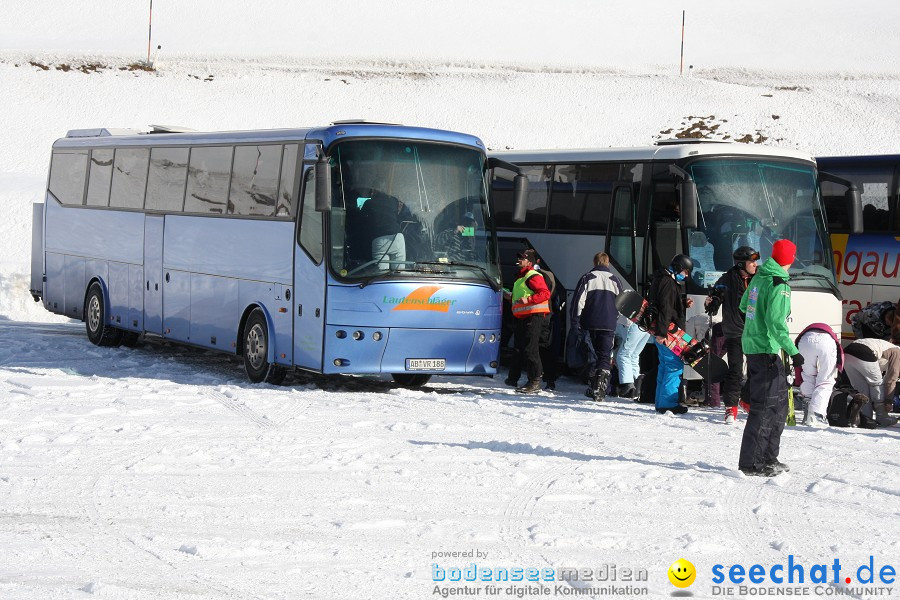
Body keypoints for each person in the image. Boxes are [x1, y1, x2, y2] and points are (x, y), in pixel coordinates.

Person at [738, 239, 803, 477]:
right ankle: (752, 462)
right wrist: (794, 352)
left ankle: (768, 458)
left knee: (777, 406)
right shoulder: (779, 283)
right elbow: (776, 323)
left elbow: (745, 306)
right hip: (767, 349)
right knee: (765, 408)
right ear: (791, 259)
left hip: (755, 347)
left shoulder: (759, 277)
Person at [704, 246, 759, 424]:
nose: (755, 264)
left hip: (754, 332)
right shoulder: (727, 279)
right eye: (752, 261)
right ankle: (730, 407)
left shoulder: (758, 279)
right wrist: (713, 303)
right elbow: (716, 294)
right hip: (735, 331)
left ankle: (747, 400)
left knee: (755, 370)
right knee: (735, 370)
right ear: (742, 263)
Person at [571, 252, 622, 401]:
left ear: (595, 262)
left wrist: (575, 321)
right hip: (609, 323)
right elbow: (621, 302)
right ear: (608, 263)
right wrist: (615, 318)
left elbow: (578, 302)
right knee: (605, 356)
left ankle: (594, 386)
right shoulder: (615, 279)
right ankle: (600, 389)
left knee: (593, 355)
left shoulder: (587, 278)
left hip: (590, 322)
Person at [648, 253, 695, 415]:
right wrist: (662, 333)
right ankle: (668, 402)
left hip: (663, 329)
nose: (686, 276)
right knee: (674, 366)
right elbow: (665, 309)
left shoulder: (662, 278)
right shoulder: (668, 282)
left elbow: (667, 304)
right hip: (668, 332)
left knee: (665, 366)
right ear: (678, 268)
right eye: (686, 272)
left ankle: (661, 402)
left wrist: (681, 303)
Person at [504, 249, 552, 394]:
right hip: (524, 317)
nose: (519, 260)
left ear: (529, 262)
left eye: (522, 258)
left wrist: (529, 300)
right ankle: (520, 379)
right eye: (518, 257)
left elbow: (545, 294)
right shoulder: (522, 277)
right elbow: (523, 295)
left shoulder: (533, 276)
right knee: (522, 348)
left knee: (531, 349)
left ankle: (535, 381)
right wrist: (511, 296)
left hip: (533, 317)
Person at [842, 337, 900, 427]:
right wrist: (888, 401)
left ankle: (865, 418)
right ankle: (882, 417)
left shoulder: (888, 348)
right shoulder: (897, 353)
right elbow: (891, 380)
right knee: (877, 384)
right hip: (864, 352)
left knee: (861, 389)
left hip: (847, 353)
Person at [794, 323, 844, 427]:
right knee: (825, 380)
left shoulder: (806, 331)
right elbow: (840, 352)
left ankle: (807, 413)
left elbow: (798, 367)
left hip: (805, 341)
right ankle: (817, 415)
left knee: (808, 377)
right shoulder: (830, 332)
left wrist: (798, 380)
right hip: (826, 341)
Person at [361, 191, 406, 269]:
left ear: (373, 192)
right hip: (397, 238)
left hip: (379, 239)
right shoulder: (394, 200)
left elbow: (362, 223)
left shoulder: (368, 203)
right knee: (399, 273)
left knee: (382, 275)